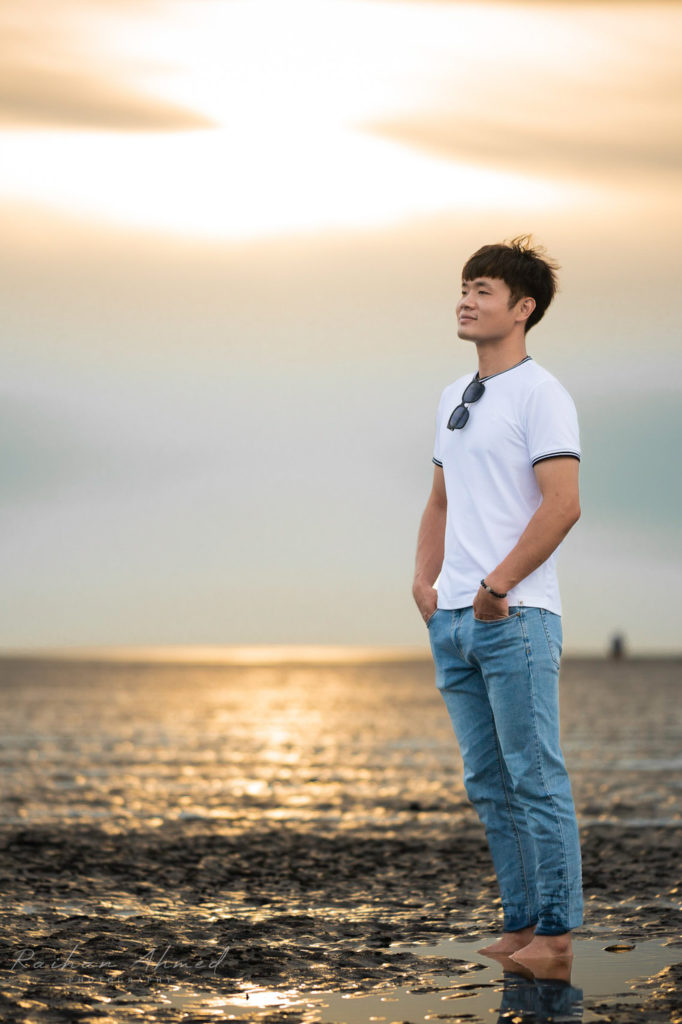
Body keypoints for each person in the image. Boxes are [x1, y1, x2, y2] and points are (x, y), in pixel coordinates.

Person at [412, 236, 583, 966]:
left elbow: (562, 504)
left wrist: (495, 587)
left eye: (482, 289)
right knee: (487, 781)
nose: (466, 299)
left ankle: (555, 934)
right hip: (452, 618)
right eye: (463, 286)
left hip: (512, 617)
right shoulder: (456, 396)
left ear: (522, 308)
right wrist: (426, 583)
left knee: (534, 774)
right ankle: (518, 926)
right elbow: (441, 499)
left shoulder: (543, 393)